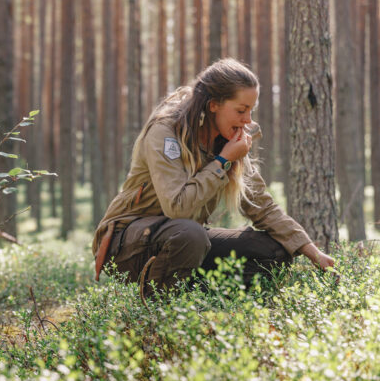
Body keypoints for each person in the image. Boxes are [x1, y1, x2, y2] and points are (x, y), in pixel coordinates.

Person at [92, 58, 335, 297]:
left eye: (251, 111)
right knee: (190, 234)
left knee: (275, 250)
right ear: (213, 105)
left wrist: (314, 254)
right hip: (126, 245)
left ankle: (205, 305)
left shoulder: (229, 141)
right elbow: (177, 207)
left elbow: (263, 207)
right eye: (241, 110)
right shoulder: (165, 133)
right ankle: (158, 311)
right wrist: (222, 162)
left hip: (183, 240)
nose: (248, 120)